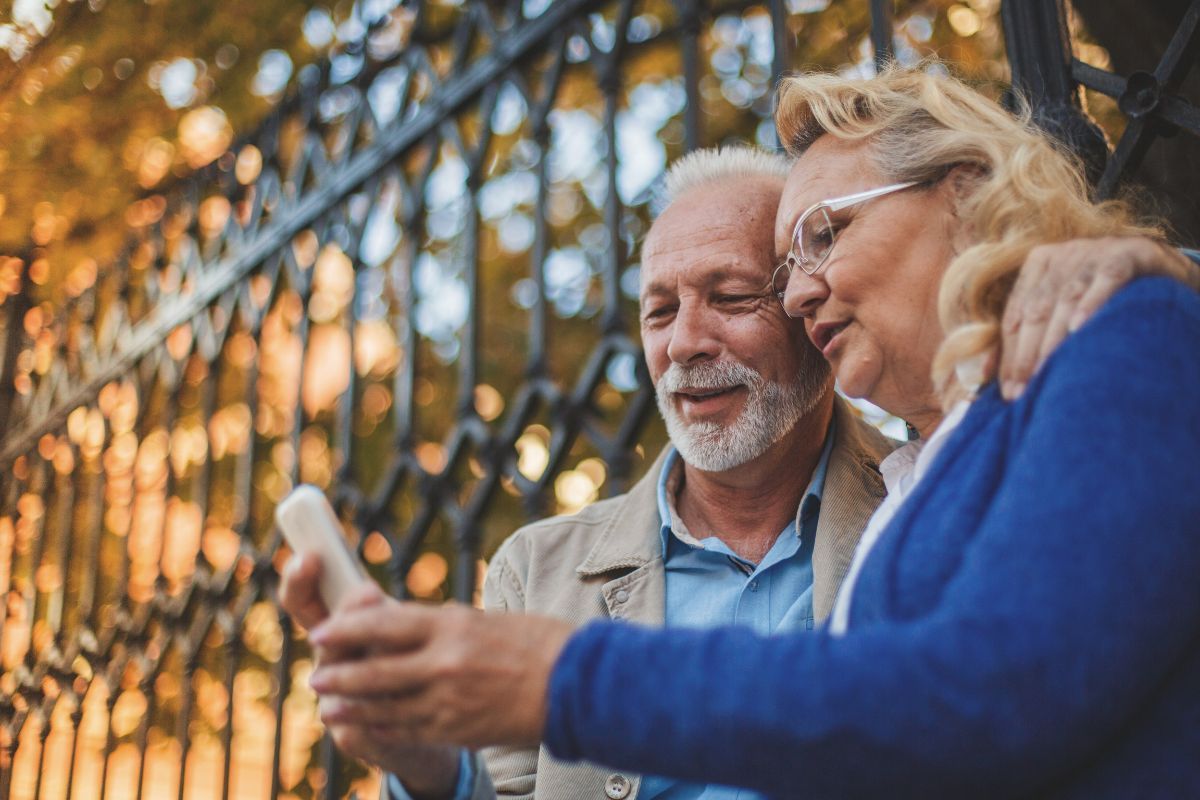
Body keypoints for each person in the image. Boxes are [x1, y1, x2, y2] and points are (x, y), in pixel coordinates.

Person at [294, 68, 1200, 797]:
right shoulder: (931, 467)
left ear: (963, 196)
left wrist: (569, 677)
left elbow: (981, 697)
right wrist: (425, 764)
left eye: (743, 291)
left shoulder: (1103, 339)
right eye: (657, 313)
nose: (802, 289)